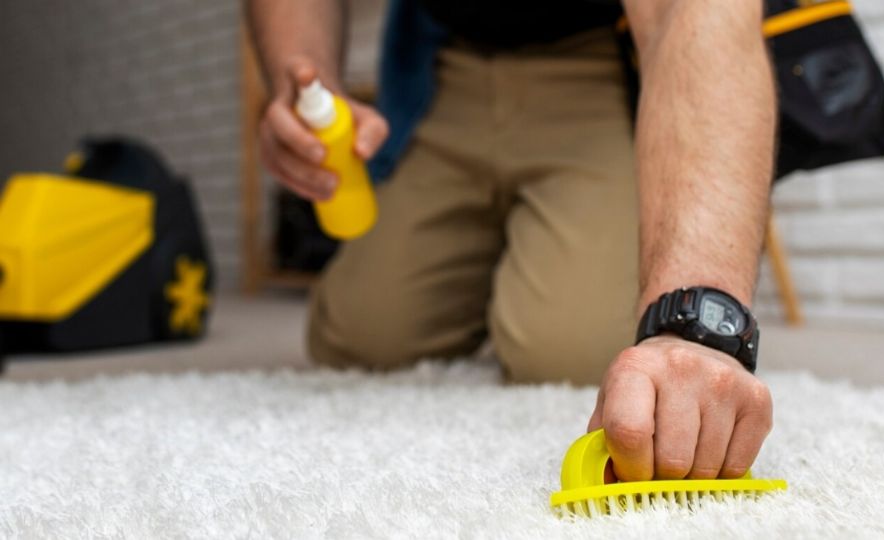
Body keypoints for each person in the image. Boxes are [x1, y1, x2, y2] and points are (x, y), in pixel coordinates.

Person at [247, 0, 775, 483]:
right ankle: (508, 255)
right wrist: (302, 76)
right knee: (358, 337)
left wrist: (697, 324)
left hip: (596, 68)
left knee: (566, 351)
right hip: (441, 69)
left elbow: (693, 12)